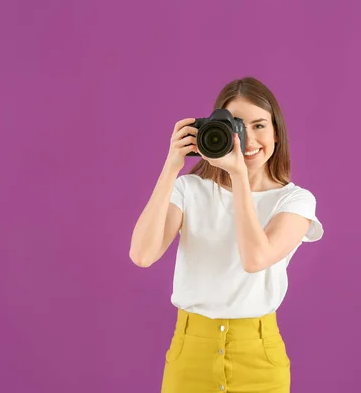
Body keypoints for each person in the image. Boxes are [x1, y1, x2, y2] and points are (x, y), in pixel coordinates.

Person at [129, 76, 324, 392]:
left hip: (259, 357)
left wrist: (238, 176)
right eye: (237, 126)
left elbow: (254, 258)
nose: (248, 140)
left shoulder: (296, 200)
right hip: (191, 352)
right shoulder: (190, 190)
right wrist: (171, 166)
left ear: (277, 132)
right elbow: (142, 254)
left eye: (259, 125)